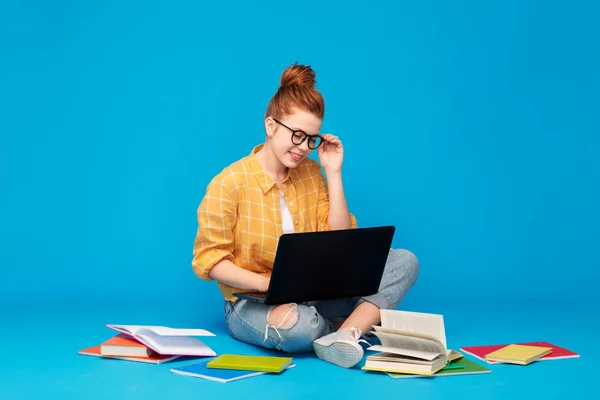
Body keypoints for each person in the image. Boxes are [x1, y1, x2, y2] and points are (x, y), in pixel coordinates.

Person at [192, 62, 419, 369]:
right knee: (300, 327)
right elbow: (211, 261)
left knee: (404, 261)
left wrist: (333, 172)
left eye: (311, 139)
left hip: (317, 294)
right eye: (297, 135)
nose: (303, 148)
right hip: (252, 302)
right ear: (271, 126)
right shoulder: (228, 184)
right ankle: (357, 325)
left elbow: (340, 238)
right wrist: (269, 285)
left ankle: (347, 334)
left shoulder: (311, 173)